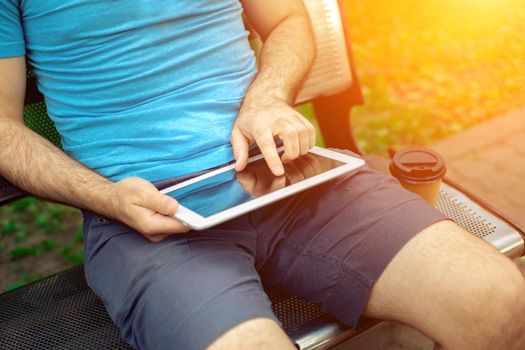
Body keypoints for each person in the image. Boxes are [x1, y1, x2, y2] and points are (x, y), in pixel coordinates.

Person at [0, 1, 524, 349]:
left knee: (499, 303)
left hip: (288, 174)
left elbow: (289, 21)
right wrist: (107, 198)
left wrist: (268, 97)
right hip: (147, 221)